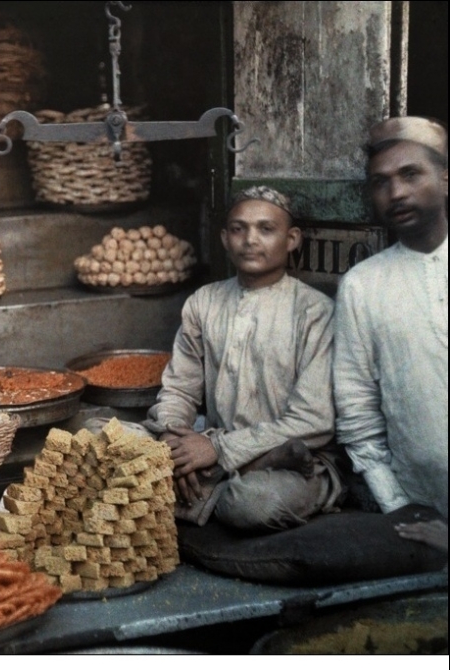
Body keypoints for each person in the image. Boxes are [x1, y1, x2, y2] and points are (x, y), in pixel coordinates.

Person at [141, 186, 347, 531]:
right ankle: (207, 476)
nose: (250, 240)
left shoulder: (316, 312)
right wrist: (172, 446)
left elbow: (313, 420)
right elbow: (179, 390)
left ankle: (219, 480)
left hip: (296, 460)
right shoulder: (203, 302)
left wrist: (218, 450)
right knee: (101, 437)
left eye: (266, 229)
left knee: (252, 503)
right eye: (239, 229)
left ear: (292, 238)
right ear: (224, 238)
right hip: (206, 442)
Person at [334, 116, 448, 553]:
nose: (396, 193)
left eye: (410, 174)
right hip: (418, 515)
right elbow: (356, 407)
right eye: (380, 182)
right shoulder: (363, 285)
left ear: (444, 177)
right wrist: (396, 502)